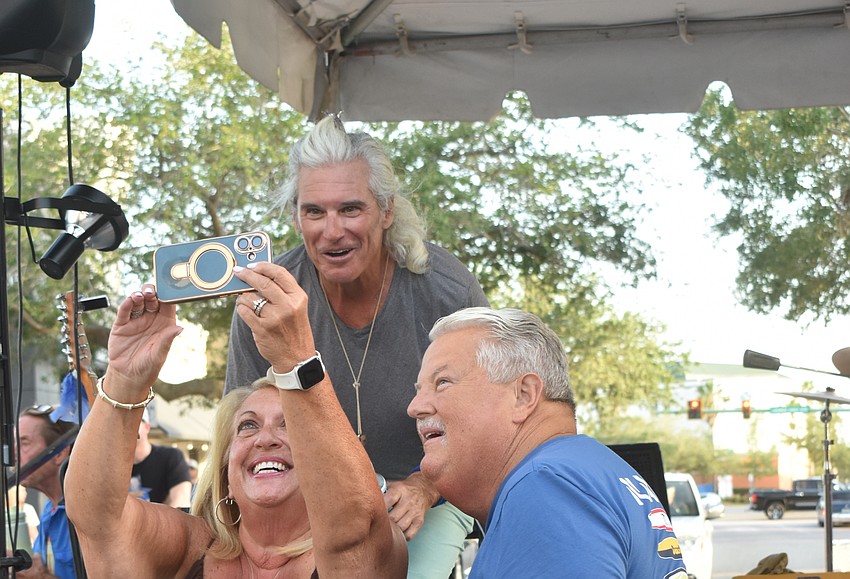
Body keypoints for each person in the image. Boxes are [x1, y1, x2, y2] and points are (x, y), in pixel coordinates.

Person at [226, 115, 488, 578]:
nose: (332, 231)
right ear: (295, 216)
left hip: (423, 499)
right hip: (305, 506)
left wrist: (424, 487)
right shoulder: (269, 298)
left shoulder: (446, 292)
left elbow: (483, 423)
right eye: (314, 211)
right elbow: (237, 429)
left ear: (386, 211)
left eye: (350, 209)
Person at [64, 268, 407, 578]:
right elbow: (97, 521)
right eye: (247, 425)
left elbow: (354, 528)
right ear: (226, 463)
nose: (266, 439)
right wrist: (125, 378)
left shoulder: (373, 545)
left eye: (289, 425)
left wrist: (296, 360)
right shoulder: (190, 546)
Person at [407, 307, 689, 578]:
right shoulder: (584, 472)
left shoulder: (547, 487)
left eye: (442, 382)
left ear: (524, 396)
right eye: (419, 390)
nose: (414, 407)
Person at [16, 405, 77, 579]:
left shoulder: (86, 513)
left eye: (24, 443)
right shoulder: (49, 510)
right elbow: (40, 568)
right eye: (14, 444)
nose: (14, 453)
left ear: (60, 453)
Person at [130, 407, 192, 507]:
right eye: (121, 422)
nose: (127, 426)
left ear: (147, 427)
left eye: (134, 421)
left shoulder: (171, 457)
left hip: (163, 522)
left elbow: (181, 502)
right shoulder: (110, 464)